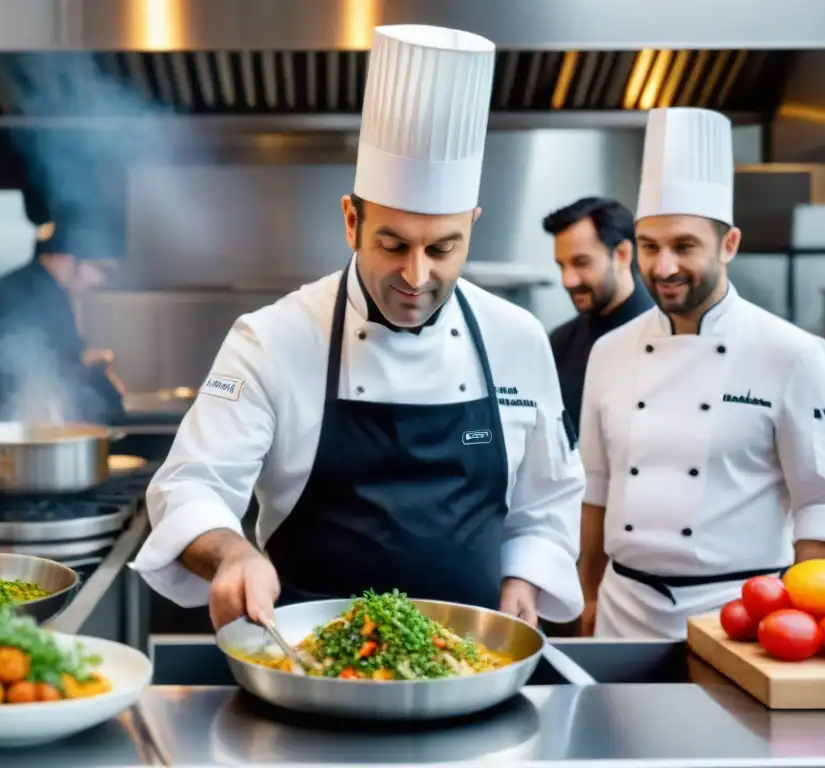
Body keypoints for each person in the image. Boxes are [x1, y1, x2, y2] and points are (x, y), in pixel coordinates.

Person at [131, 24, 585, 631]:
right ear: (351, 220)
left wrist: (526, 575)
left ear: (473, 224)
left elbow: (547, 501)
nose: (417, 275)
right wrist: (231, 552)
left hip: (473, 664)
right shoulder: (272, 339)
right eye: (393, 244)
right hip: (310, 665)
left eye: (444, 248)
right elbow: (189, 486)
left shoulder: (517, 338)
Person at [577, 107, 825, 639]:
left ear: (729, 244)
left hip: (740, 615)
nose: (663, 268)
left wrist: (802, 625)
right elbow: (596, 486)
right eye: (651, 247)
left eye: (685, 246)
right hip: (623, 609)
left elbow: (823, 502)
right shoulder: (610, 351)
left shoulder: (794, 354)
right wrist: (588, 593)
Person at [0, 213, 127, 428]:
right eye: (101, 269)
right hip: (5, 424)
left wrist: (91, 362)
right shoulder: (19, 293)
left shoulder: (44, 290)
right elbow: (26, 374)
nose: (100, 281)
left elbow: (59, 358)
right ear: (64, 258)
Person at [544, 197, 653, 433]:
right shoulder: (560, 342)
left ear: (622, 254)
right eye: (562, 266)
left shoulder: (666, 334)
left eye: (581, 263)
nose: (568, 280)